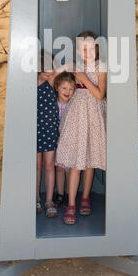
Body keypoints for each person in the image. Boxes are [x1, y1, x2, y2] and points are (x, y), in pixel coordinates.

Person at [55, 31, 107, 225]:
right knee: (75, 161)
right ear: (78, 50)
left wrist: (83, 78)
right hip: (76, 116)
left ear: (97, 48)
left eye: (91, 48)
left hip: (93, 116)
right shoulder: (74, 65)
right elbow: (53, 76)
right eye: (83, 48)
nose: (87, 52)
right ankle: (71, 204)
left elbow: (100, 95)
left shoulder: (101, 66)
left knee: (90, 160)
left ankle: (85, 197)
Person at [37, 49, 59, 218]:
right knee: (36, 166)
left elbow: (69, 66)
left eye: (50, 70)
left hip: (50, 129)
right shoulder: (30, 84)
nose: (48, 74)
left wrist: (52, 70)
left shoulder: (51, 81)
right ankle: (36, 197)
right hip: (34, 129)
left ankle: (49, 200)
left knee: (49, 165)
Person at [53, 71, 76, 208]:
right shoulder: (53, 103)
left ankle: (69, 194)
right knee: (59, 168)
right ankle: (60, 194)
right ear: (57, 87)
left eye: (71, 89)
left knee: (69, 169)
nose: (67, 92)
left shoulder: (74, 105)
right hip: (57, 140)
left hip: (70, 141)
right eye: (64, 88)